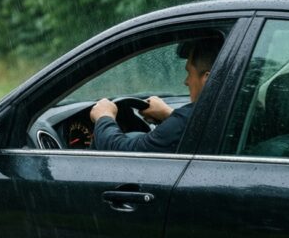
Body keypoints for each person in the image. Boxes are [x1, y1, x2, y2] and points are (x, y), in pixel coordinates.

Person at [89, 37, 223, 153]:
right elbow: (195, 127)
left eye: (189, 73)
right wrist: (169, 114)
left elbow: (126, 153)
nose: (186, 82)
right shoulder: (226, 111)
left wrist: (104, 117)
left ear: (207, 79)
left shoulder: (191, 118)